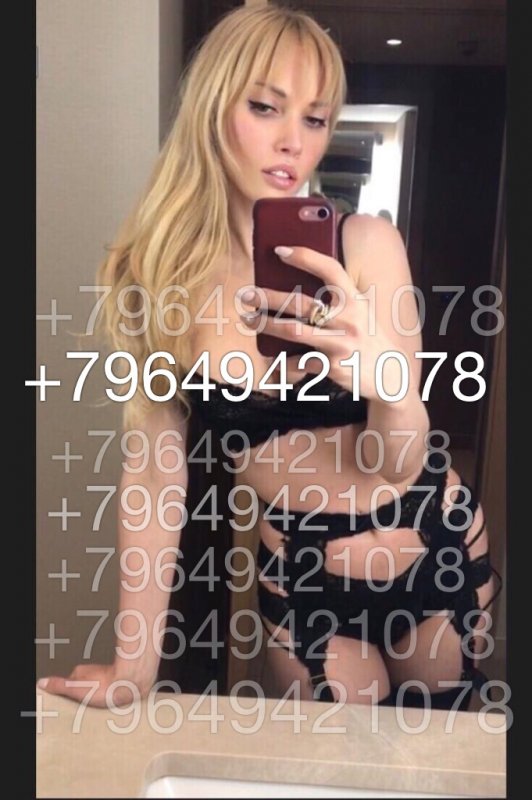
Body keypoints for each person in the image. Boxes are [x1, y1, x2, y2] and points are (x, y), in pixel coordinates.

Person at [38, 3, 500, 709]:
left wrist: (388, 385)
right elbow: (156, 476)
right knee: (327, 760)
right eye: (265, 107)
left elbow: (397, 461)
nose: (293, 143)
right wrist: (134, 666)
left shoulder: (365, 247)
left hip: (431, 546)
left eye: (315, 119)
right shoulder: (154, 276)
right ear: (212, 106)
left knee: (434, 757)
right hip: (303, 573)